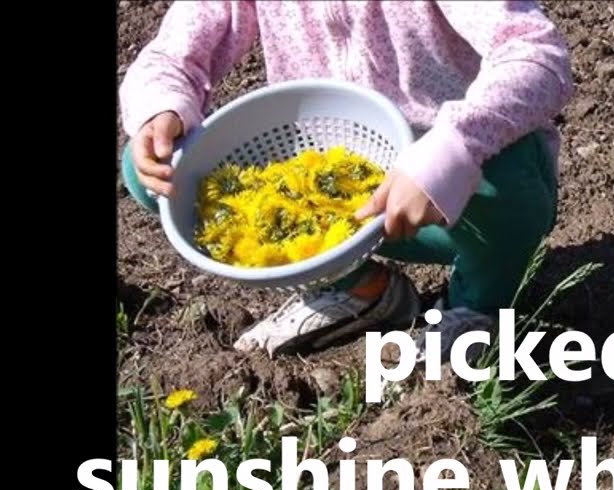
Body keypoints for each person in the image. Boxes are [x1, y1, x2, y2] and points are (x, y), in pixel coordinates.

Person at [119, 1, 573, 358]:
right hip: (337, 198)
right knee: (162, 173)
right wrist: (161, 105)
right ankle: (359, 289)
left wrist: (456, 147)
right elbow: (175, 53)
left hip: (452, 196)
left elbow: (536, 52)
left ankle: (478, 307)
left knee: (508, 175)